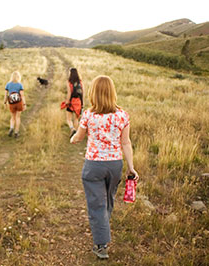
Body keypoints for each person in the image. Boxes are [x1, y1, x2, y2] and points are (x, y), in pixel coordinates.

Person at [70, 75, 139, 260]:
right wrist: (131, 167)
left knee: (97, 204)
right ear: (112, 93)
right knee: (108, 201)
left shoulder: (89, 115)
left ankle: (101, 246)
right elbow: (126, 143)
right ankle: (103, 228)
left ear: (93, 93)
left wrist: (73, 139)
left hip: (94, 166)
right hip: (115, 165)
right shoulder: (122, 115)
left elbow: (79, 136)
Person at [4, 71, 26, 138]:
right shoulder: (20, 85)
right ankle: (16, 132)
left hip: (11, 103)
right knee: (18, 117)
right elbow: (22, 95)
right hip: (19, 103)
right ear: (18, 77)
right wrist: (24, 104)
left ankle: (11, 128)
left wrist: (5, 102)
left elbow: (5, 95)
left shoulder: (8, 84)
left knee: (12, 117)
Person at [65, 68, 84, 138]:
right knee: (76, 118)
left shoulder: (69, 82)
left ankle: (72, 129)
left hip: (71, 102)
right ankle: (76, 135)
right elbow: (83, 93)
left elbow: (69, 93)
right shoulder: (80, 82)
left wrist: (67, 101)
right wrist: (82, 103)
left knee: (68, 119)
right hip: (78, 101)